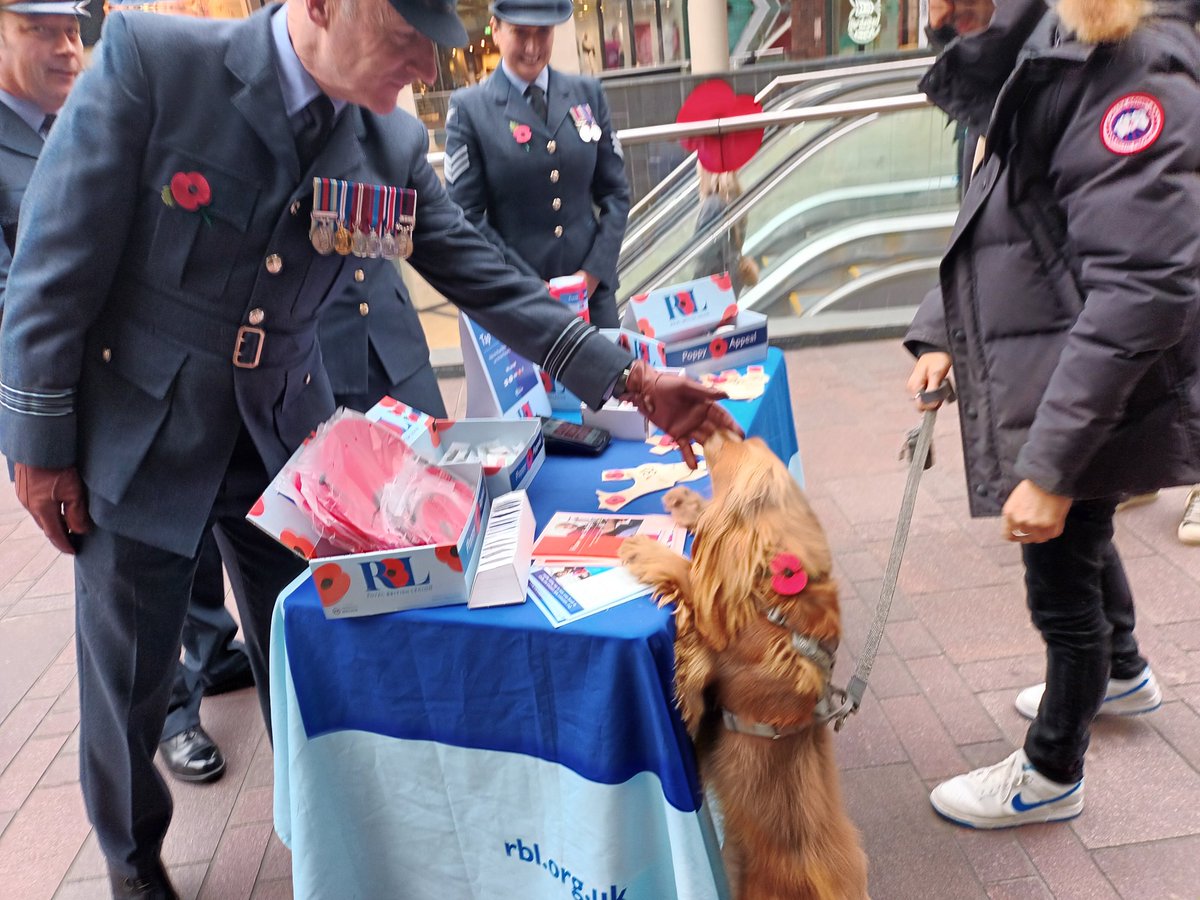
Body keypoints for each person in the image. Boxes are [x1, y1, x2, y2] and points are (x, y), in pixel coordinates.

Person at [0, 0, 738, 895]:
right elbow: (53, 259)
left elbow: (481, 273)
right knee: (128, 687)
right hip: (143, 432)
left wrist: (628, 379)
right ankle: (132, 866)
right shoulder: (158, 65)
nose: (426, 70)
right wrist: (38, 441)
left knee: (301, 648)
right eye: (406, 41)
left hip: (281, 438)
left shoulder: (384, 145)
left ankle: (320, 828)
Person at [905, 0, 1199, 830]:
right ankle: (1124, 670)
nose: (941, 11)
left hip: (1092, 378)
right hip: (1076, 364)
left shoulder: (1119, 57)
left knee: (1061, 580)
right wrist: (940, 332)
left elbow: (1146, 286)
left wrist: (1048, 466)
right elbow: (1002, 216)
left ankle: (1050, 768)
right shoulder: (1042, 50)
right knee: (1086, 540)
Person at [0, 0, 254, 788]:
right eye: (39, 31)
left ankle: (208, 651)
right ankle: (173, 713)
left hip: (162, 395)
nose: (65, 48)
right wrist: (36, 440)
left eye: (72, 31)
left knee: (192, 540)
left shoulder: (103, 113)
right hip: (83, 411)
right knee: (130, 604)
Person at [444, 0, 630, 327]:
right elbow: (467, 215)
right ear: (496, 29)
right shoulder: (470, 109)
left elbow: (615, 194)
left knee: (606, 378)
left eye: (543, 32)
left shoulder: (588, 93)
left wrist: (591, 274)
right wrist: (528, 286)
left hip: (592, 299)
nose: (532, 47)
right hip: (519, 304)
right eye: (520, 33)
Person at [693, 163, 758, 296]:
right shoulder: (736, 201)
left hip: (711, 294)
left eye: (699, 174)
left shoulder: (713, 205)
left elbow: (705, 260)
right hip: (729, 287)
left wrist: (693, 292)